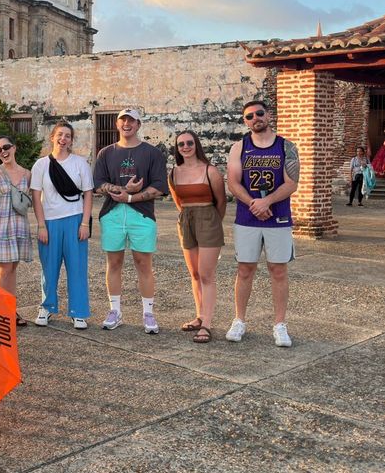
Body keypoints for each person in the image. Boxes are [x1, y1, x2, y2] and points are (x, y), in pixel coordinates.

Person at [225, 100, 300, 348]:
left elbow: (291, 183)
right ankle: (239, 320)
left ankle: (280, 324)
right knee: (245, 269)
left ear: (268, 115)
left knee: (278, 271)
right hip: (247, 218)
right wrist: (254, 204)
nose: (255, 118)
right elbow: (234, 183)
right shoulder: (239, 147)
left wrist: (266, 201)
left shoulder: (286, 146)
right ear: (245, 121)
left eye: (259, 113)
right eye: (249, 116)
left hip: (277, 217)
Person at [92, 108, 169, 333]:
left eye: (131, 120)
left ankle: (148, 314)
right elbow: (98, 184)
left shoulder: (152, 153)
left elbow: (159, 187)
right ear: (117, 124)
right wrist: (124, 190)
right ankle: (115, 311)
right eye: (123, 120)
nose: (127, 124)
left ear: (138, 125)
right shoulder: (105, 153)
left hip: (142, 214)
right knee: (114, 263)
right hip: (112, 214)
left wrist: (132, 197)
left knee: (143, 264)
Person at [30, 121, 93, 329]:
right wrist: (41, 225)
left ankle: (79, 311)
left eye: (67, 136)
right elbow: (36, 196)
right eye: (60, 134)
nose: (63, 139)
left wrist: (85, 223)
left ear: (71, 140)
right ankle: (47, 307)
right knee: (49, 268)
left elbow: (88, 194)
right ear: (52, 137)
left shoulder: (80, 163)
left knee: (77, 267)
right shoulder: (41, 165)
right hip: (49, 221)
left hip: (75, 220)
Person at [167, 130, 226, 343]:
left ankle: (208, 324)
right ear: (177, 148)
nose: (185, 147)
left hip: (208, 219)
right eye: (181, 144)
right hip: (186, 220)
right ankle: (199, 316)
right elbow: (178, 201)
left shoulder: (210, 171)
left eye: (189, 143)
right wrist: (189, 219)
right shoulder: (174, 172)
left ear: (196, 145)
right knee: (194, 274)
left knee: (207, 274)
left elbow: (221, 202)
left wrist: (211, 222)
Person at [0, 136, 32, 327]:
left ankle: (9, 311)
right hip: (1, 225)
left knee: (13, 269)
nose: (3, 151)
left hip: (20, 225)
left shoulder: (27, 174)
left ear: (14, 148)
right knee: (5, 269)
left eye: (6, 147)